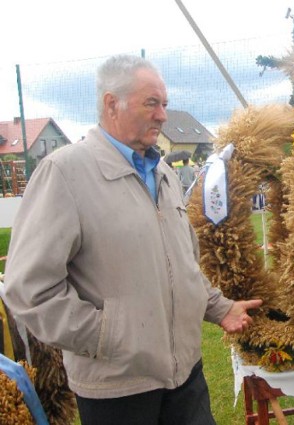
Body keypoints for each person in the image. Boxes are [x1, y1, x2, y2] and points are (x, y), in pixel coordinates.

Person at [3, 54, 262, 425]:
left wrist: (220, 308)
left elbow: (183, 263)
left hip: (185, 376)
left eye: (165, 105)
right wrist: (106, 337)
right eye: (151, 103)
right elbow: (28, 288)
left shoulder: (164, 173)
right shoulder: (64, 173)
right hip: (117, 390)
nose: (163, 115)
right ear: (112, 103)